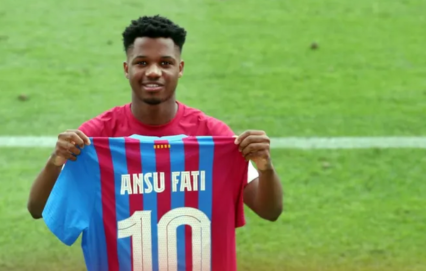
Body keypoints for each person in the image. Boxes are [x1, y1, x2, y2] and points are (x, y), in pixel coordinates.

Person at [27, 15, 283, 223]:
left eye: (165, 63)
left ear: (179, 68)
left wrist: (265, 167)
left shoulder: (212, 134)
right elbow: (38, 209)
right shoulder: (97, 135)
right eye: (141, 63)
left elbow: (269, 211)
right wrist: (55, 160)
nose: (153, 72)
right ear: (127, 69)